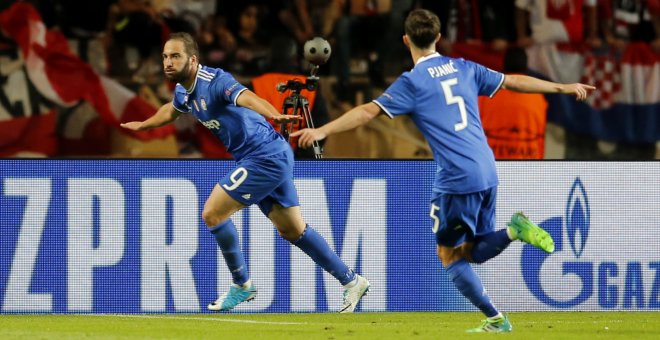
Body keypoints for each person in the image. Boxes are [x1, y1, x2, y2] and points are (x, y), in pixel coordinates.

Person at [292, 9, 595, 332]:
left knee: (449, 256)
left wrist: (323, 130)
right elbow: (513, 81)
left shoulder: (412, 82)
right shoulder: (464, 67)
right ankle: (512, 233)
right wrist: (562, 87)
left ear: (406, 39)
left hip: (456, 177)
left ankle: (497, 317)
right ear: (438, 37)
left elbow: (368, 111)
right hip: (486, 169)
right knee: (472, 251)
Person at [121, 32, 370, 312]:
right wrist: (144, 125)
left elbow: (246, 96)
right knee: (293, 230)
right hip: (264, 156)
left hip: (264, 156)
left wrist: (272, 113)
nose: (168, 61)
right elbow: (172, 110)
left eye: (175, 56)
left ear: (192, 59)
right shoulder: (184, 90)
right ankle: (352, 281)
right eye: (166, 56)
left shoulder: (215, 81)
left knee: (212, 213)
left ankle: (242, 286)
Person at [478, 47, 548, 159]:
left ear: (504, 64)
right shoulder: (538, 96)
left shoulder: (487, 92)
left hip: (492, 165)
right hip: (528, 166)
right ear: (526, 66)